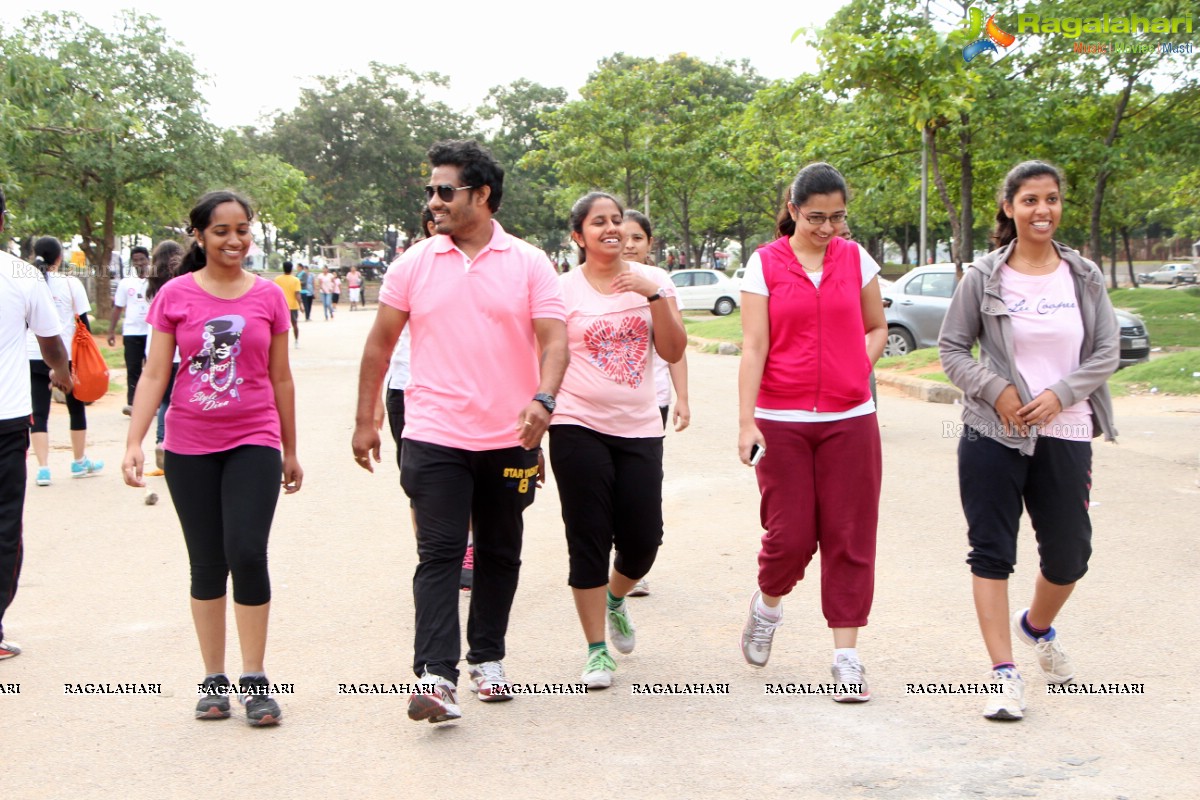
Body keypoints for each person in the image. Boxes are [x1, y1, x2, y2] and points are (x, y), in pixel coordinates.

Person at [353, 139, 567, 724]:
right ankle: (435, 676)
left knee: (500, 551)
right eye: (430, 191)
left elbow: (554, 340)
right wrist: (366, 420)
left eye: (445, 190)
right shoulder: (413, 264)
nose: (434, 200)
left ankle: (488, 658)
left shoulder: (528, 262)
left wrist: (544, 400)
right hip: (433, 431)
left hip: (509, 437)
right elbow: (380, 344)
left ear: (482, 195)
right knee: (441, 552)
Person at [938, 160, 1119, 721]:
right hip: (993, 431)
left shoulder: (1083, 275)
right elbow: (951, 349)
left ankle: (1035, 626)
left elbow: (1106, 352)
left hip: (1065, 430)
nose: (1043, 210)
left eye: (1052, 199)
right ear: (1009, 207)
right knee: (992, 551)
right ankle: (1002, 674)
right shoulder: (983, 276)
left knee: (1070, 556)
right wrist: (996, 390)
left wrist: (1061, 394)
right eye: (1030, 200)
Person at [121, 190, 302, 726]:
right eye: (222, 230)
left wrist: (291, 449)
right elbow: (154, 373)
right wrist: (133, 441)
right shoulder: (174, 296)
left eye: (243, 229)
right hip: (188, 444)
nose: (234, 240)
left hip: (255, 437)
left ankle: (254, 677)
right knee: (207, 562)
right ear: (198, 234)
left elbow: (281, 377)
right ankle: (213, 679)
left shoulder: (268, 297)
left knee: (247, 552)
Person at [737, 162, 887, 703]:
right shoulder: (765, 264)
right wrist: (745, 419)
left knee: (851, 538)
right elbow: (754, 346)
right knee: (791, 537)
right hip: (783, 421)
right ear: (794, 209)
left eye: (838, 217)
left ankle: (846, 656)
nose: (828, 229)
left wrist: (856, 368)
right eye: (817, 217)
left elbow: (876, 327)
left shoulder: (855, 258)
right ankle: (767, 605)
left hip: (851, 419)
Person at [549, 193, 686, 689]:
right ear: (577, 236)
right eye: (598, 222)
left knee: (643, 541)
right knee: (587, 537)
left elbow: (672, 350)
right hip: (575, 423)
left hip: (639, 426)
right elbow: (544, 356)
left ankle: (615, 599)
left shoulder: (654, 283)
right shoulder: (559, 290)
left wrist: (653, 294)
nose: (610, 229)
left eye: (616, 221)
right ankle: (595, 651)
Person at [0, 186, 74, 660]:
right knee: (5, 525)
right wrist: (64, 373)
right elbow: (50, 341)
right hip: (6, 420)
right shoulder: (22, 275)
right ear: (3, 218)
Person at [620, 209, 691, 599]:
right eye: (623, 236)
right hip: (601, 407)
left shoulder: (661, 281)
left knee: (640, 485)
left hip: (653, 400)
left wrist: (683, 398)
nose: (629, 244)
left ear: (650, 244)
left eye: (638, 238)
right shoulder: (592, 279)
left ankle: (631, 562)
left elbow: (675, 348)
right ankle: (618, 557)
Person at [27, 236, 104, 486]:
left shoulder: (26, 283)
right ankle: (79, 461)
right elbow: (84, 322)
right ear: (59, 258)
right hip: (67, 355)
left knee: (39, 412)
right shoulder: (71, 284)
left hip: (33, 354)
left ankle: (43, 469)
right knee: (76, 407)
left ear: (33, 256)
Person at [109, 245, 152, 415]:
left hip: (152, 332)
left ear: (148, 260)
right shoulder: (126, 283)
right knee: (133, 368)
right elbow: (118, 307)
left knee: (152, 369)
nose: (139, 263)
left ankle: (152, 404)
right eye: (135, 260)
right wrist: (111, 331)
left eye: (142, 259)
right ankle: (132, 404)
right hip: (132, 332)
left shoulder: (155, 281)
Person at [274, 261, 302, 348]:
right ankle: (296, 341)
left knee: (280, 326)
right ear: (291, 268)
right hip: (293, 306)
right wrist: (301, 305)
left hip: (281, 305)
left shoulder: (277, 279)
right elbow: (297, 294)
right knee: (294, 324)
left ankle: (281, 343)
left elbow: (274, 293)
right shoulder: (295, 280)